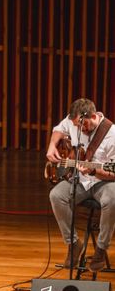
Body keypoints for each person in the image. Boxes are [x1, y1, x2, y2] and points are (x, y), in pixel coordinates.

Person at [46, 98, 115, 272]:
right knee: (56, 195)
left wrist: (93, 171)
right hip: (81, 180)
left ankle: (101, 249)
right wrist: (52, 145)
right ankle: (73, 243)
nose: (79, 129)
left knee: (112, 200)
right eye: (76, 125)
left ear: (94, 116)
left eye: (83, 125)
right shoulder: (75, 120)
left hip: (105, 181)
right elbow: (59, 129)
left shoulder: (112, 134)